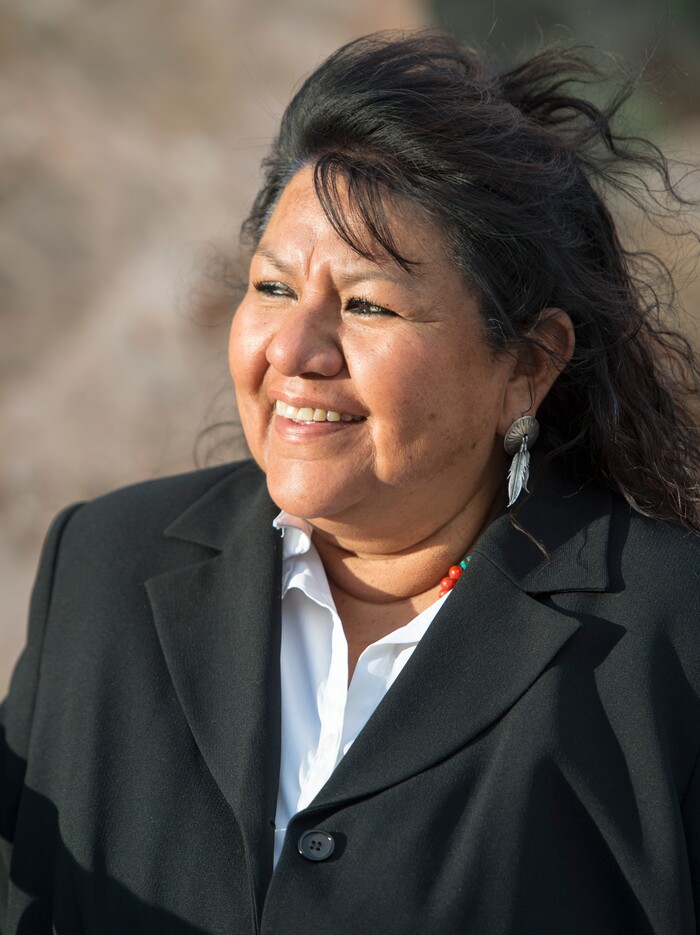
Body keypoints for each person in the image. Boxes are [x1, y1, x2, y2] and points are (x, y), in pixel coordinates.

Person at [2, 29, 700, 935]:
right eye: (274, 288)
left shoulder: (667, 635)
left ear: (528, 364)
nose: (294, 351)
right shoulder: (102, 569)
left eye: (367, 305)